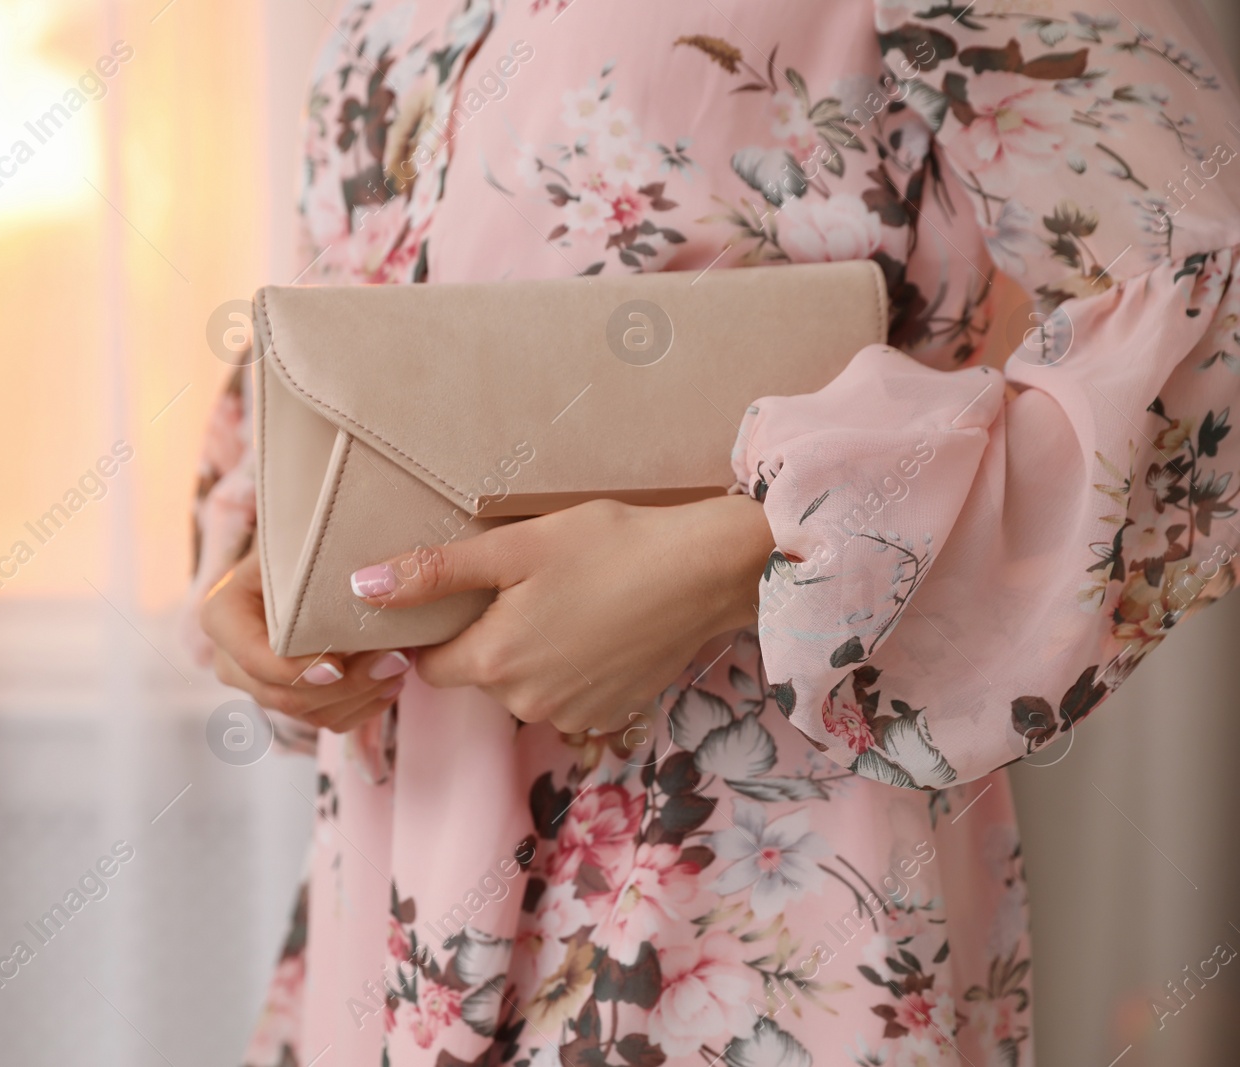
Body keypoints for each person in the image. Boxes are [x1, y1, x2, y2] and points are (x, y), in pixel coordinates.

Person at [185, 0, 1240, 1063]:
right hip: (394, 882)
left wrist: (738, 558)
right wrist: (265, 565)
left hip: (738, 878)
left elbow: (1215, 309)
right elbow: (357, 329)